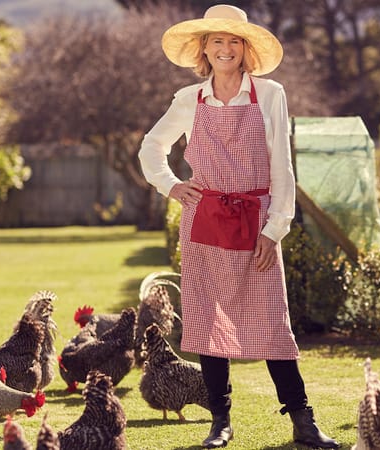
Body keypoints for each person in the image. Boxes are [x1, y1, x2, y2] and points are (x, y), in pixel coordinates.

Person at [138, 4, 339, 449]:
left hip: (258, 221)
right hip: (204, 220)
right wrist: (171, 186)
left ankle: (302, 421)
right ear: (204, 50)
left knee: (272, 322)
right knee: (209, 323)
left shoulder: (270, 94)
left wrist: (275, 229)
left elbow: (283, 168)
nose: (225, 49)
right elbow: (152, 147)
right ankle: (220, 422)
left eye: (233, 41)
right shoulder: (189, 99)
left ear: (245, 49)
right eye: (217, 41)